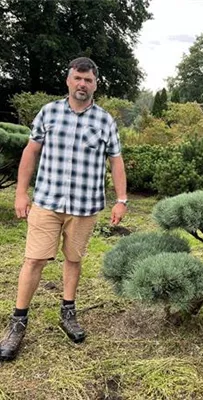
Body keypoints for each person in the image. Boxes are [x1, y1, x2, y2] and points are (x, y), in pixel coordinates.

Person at [0, 57, 128, 361]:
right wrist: (20, 192)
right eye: (78, 78)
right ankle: (18, 322)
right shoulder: (49, 112)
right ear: (69, 80)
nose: (82, 84)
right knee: (33, 260)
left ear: (96, 84)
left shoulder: (105, 121)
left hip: (84, 206)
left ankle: (68, 311)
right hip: (47, 202)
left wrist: (121, 199)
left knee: (74, 259)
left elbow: (116, 161)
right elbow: (31, 152)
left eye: (88, 80)